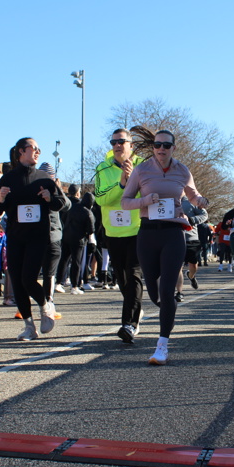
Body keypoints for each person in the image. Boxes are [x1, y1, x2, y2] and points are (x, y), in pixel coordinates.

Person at [120, 128, 209, 365]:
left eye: (166, 145)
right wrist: (145, 200)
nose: (161, 149)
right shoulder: (142, 170)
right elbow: (125, 202)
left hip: (173, 233)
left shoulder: (182, 170)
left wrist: (200, 201)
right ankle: (166, 309)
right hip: (148, 233)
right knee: (154, 292)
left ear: (173, 148)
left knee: (168, 291)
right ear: (153, 148)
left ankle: (162, 346)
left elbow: (193, 195)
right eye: (157, 145)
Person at [0, 137, 70, 340]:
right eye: (34, 148)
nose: (38, 152)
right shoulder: (8, 179)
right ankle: (29, 326)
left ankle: (45, 305)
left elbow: (62, 203)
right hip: (15, 236)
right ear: (21, 151)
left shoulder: (44, 178)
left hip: (38, 237)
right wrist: (1, 198)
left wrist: (50, 198)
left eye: (39, 149)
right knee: (17, 282)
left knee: (28, 278)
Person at [94, 128, 144, 343]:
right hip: (113, 231)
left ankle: (129, 324)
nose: (117, 145)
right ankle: (135, 307)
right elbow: (101, 199)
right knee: (122, 278)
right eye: (113, 142)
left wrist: (133, 181)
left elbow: (148, 195)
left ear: (131, 145)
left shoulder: (144, 165)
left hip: (138, 229)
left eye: (121, 142)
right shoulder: (102, 168)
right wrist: (122, 184)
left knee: (133, 274)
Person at [176, 196, 208, 301]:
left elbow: (204, 215)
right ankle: (179, 292)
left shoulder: (191, 201)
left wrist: (192, 220)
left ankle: (191, 276)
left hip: (192, 238)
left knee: (193, 266)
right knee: (178, 267)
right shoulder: (168, 200)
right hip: (175, 238)